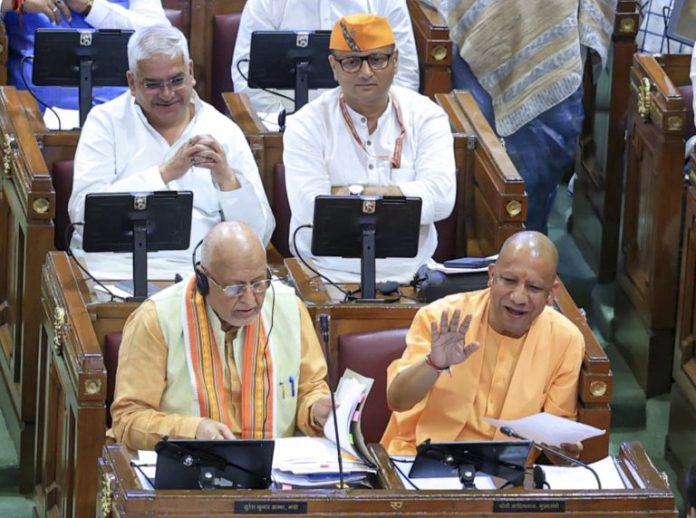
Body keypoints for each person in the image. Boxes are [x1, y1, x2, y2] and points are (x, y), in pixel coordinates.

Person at [68, 24, 274, 280]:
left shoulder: (223, 130)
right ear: (132, 82)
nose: (167, 94)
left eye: (176, 81)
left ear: (190, 72)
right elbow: (82, 216)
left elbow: (259, 234)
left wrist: (227, 180)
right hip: (112, 270)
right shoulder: (104, 122)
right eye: (153, 84)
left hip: (202, 275)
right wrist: (164, 174)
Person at [110, 221, 332, 450]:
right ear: (203, 280)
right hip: (190, 464)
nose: (250, 299)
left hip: (277, 466)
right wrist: (193, 431)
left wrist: (316, 410)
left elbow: (310, 389)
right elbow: (128, 419)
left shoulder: (290, 310)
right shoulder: (156, 319)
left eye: (259, 283)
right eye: (235, 288)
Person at [283, 13, 455, 283]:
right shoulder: (305, 124)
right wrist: (403, 197)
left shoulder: (427, 116)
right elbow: (309, 209)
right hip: (325, 274)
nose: (365, 72)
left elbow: (442, 199)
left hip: (413, 275)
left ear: (395, 61)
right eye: (351, 62)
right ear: (333, 66)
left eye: (377, 59)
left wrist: (349, 193)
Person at [381, 231, 585, 457]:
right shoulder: (441, 317)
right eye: (509, 281)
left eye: (534, 288)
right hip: (418, 457)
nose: (518, 297)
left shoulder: (566, 340)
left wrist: (566, 453)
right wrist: (434, 365)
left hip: (504, 472)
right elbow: (397, 401)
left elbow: (558, 441)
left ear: (551, 294)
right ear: (492, 275)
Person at [423, 0, 615, 233]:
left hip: (556, 59)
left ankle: (531, 241)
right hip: (477, 51)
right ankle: (487, 244)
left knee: (538, 173)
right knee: (484, 168)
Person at [231, 0, 419, 116]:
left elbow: (404, 75)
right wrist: (285, 122)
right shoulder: (265, 3)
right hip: (284, 127)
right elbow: (246, 77)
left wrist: (370, 120)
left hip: (368, 124)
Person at [3, 0, 170, 111]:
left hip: (119, 114)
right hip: (32, 116)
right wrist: (16, 2)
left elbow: (161, 37)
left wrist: (90, 7)